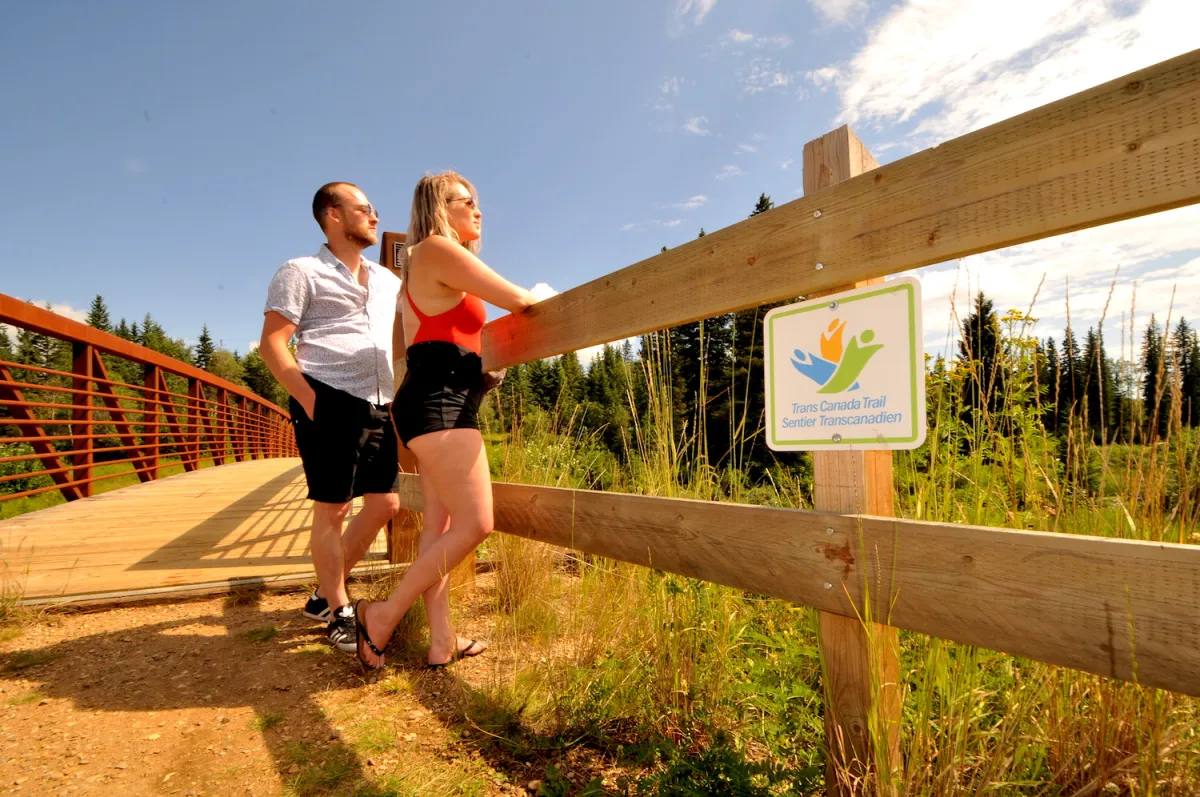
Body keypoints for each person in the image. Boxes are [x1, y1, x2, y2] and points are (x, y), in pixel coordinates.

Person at [354, 171, 536, 670]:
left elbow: (418, 340)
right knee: (477, 522)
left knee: (439, 528)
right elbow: (520, 300)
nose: (478, 210)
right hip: (441, 406)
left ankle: (441, 641)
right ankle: (383, 616)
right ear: (440, 207)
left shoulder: (423, 266)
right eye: (466, 201)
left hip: (431, 402)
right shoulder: (435, 248)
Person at [260, 182, 402, 653]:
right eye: (364, 209)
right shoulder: (301, 271)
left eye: (375, 209)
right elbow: (273, 344)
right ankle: (340, 611)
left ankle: (324, 592)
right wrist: (309, 399)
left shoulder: (387, 280)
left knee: (385, 505)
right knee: (334, 508)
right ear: (333, 215)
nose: (375, 216)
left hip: (381, 401)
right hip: (327, 396)